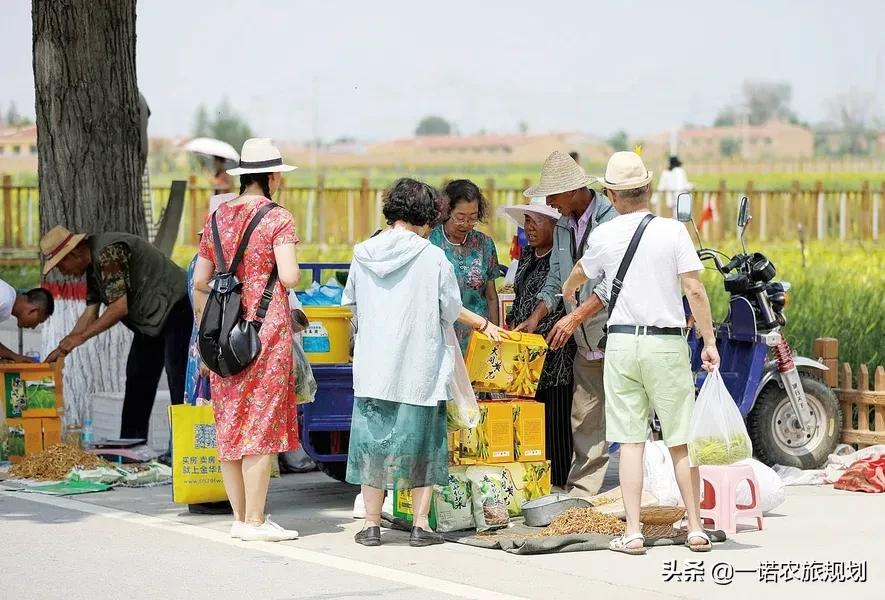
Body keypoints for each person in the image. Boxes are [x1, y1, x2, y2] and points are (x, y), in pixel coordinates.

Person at [562, 151, 720, 555]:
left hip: (622, 343)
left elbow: (582, 273)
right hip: (665, 343)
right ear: (648, 189)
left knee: (630, 441)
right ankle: (696, 528)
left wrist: (568, 289)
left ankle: (632, 532)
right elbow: (695, 290)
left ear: (611, 195)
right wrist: (709, 341)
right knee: (680, 439)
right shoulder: (673, 231)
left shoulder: (604, 235)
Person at [344, 178, 485, 548]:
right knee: (424, 447)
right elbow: (451, 309)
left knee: (373, 447)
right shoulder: (433, 256)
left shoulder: (363, 252)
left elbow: (351, 307)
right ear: (428, 216)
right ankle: (421, 526)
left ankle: (372, 525)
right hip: (420, 369)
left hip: (374, 369)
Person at [192, 138, 302, 543]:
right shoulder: (279, 218)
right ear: (274, 177)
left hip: (222, 328)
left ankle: (240, 517)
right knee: (261, 421)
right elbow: (289, 277)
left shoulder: (218, 216)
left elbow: (200, 281)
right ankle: (255, 520)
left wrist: (205, 329)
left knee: (231, 421)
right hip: (264, 329)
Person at [514, 150, 617, 497]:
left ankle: (644, 484)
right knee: (584, 415)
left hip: (614, 332)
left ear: (574, 191)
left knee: (631, 416)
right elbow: (558, 280)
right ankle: (584, 491)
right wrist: (535, 317)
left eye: (553, 196)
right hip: (584, 339)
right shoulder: (562, 226)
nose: (550, 203)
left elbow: (612, 283)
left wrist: (574, 317)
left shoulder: (611, 219)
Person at [42, 225, 192, 443]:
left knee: (177, 378)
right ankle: (131, 446)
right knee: (137, 378)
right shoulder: (92, 266)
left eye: (61, 265)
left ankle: (183, 449)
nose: (62, 272)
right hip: (151, 320)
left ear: (73, 253)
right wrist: (63, 347)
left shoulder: (108, 253)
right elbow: (90, 313)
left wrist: (80, 337)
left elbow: (118, 308)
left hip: (177, 307)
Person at [502, 198, 575, 488]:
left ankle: (557, 482)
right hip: (526, 358)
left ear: (553, 226)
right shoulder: (527, 258)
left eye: (536, 222)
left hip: (554, 357)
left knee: (555, 422)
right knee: (531, 424)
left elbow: (558, 301)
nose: (529, 228)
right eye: (527, 222)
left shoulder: (559, 263)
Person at [429, 179, 500, 353]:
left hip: (479, 336)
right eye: (460, 218)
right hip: (441, 338)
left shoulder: (485, 244)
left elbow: (491, 296)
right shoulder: (430, 242)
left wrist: (495, 331)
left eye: (472, 218)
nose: (466, 224)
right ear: (447, 212)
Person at [0, 281, 54, 362]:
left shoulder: (7, 297)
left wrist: (14, 356)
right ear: (33, 310)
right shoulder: (4, 300)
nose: (33, 327)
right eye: (39, 321)